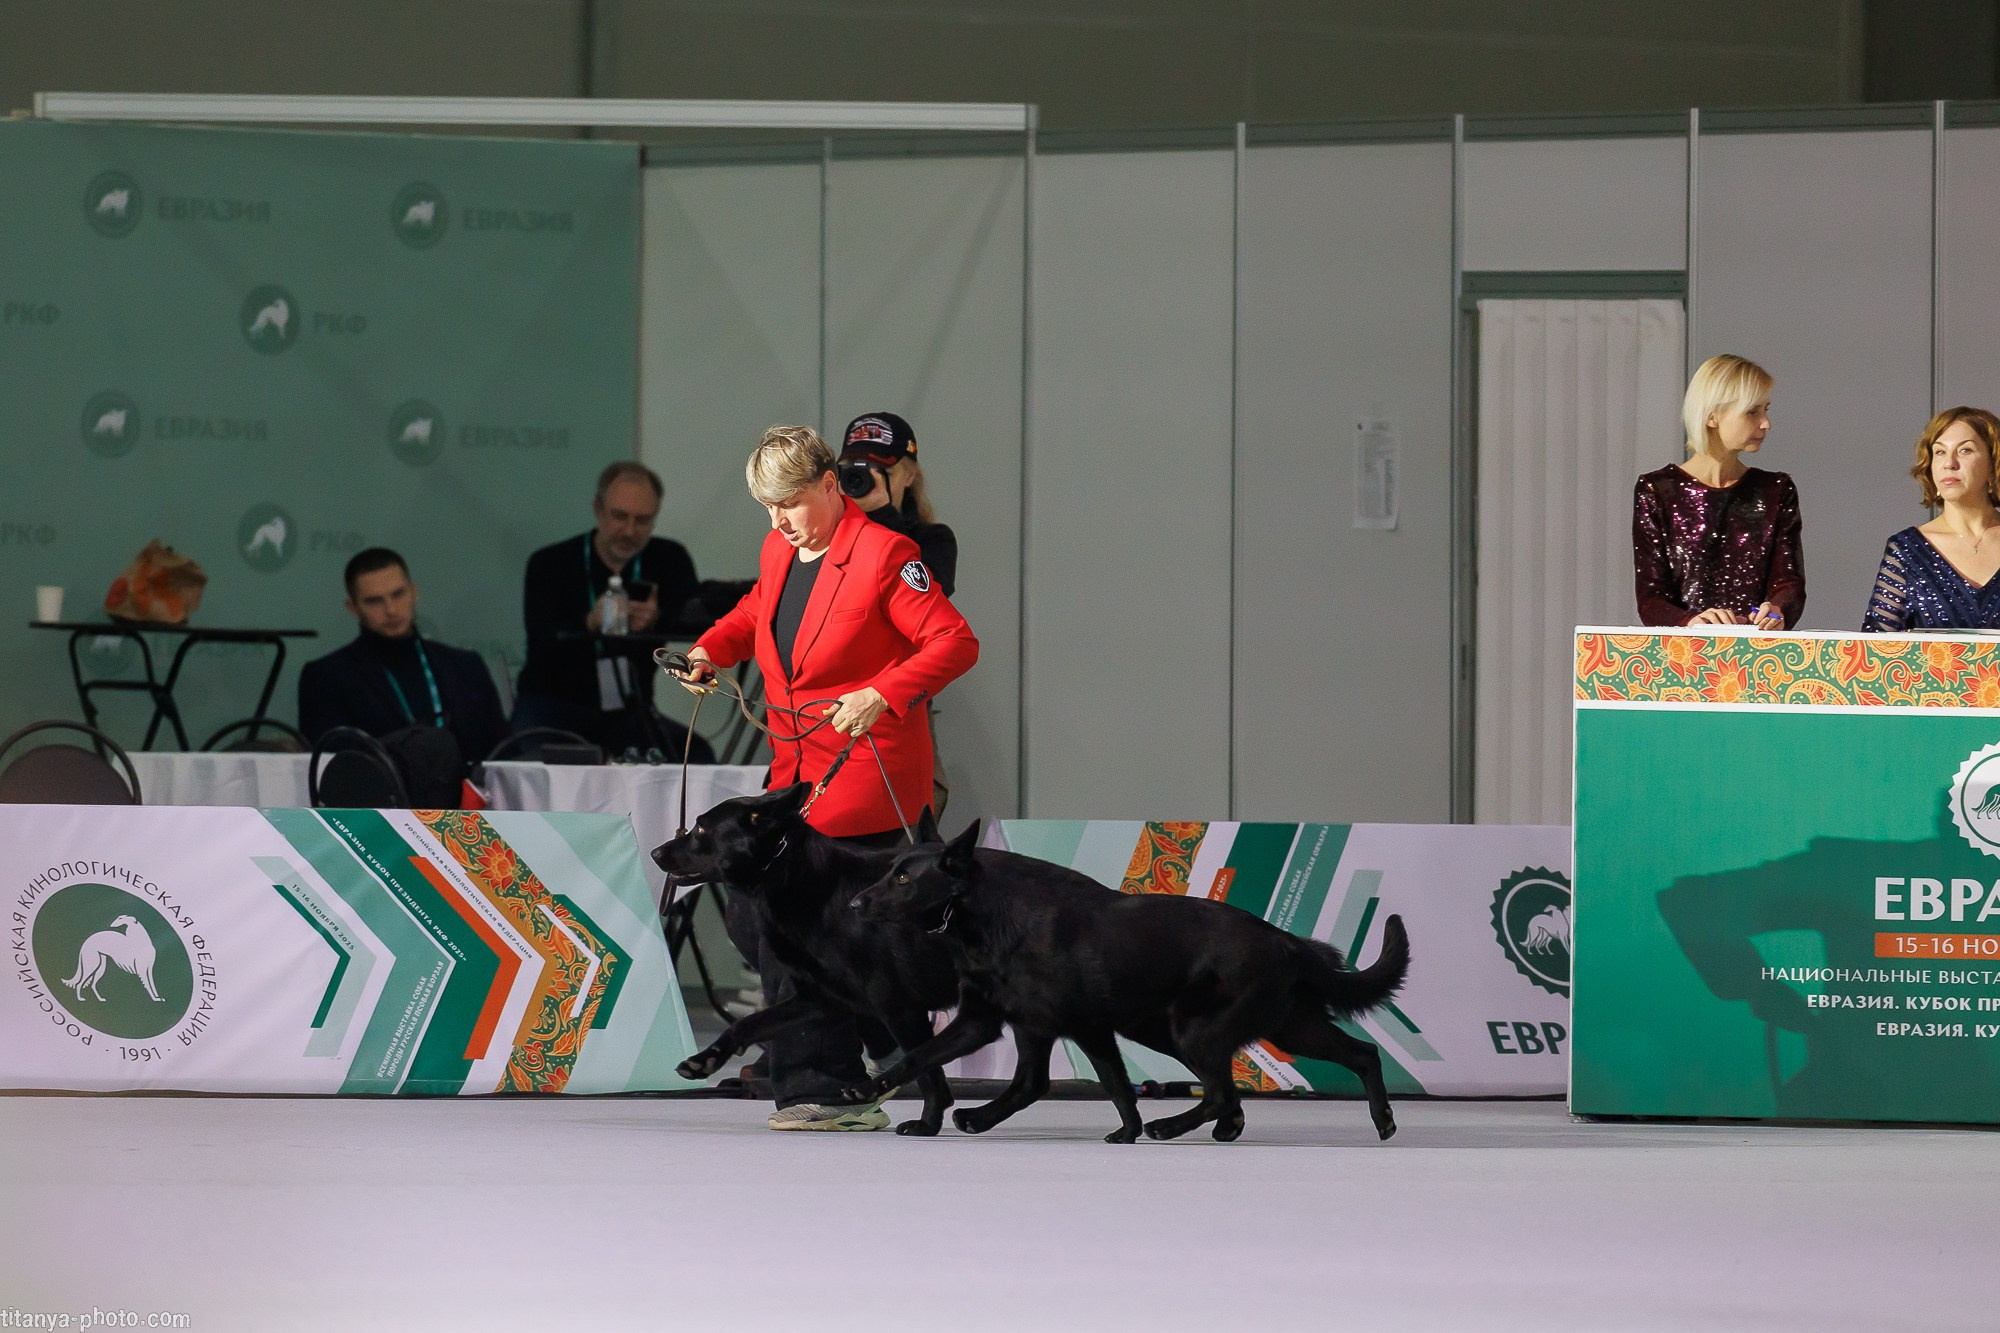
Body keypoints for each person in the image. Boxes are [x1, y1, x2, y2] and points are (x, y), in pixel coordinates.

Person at [676, 425, 978, 1131]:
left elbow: (955, 641)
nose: (777, 520)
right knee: (757, 919)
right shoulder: (781, 548)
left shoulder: (887, 554)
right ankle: (873, 1035)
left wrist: (882, 692)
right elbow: (758, 611)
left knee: (794, 921)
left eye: (788, 502)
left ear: (828, 484)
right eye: (766, 506)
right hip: (797, 766)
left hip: (864, 768)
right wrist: (710, 648)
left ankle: (825, 1088)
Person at [514, 460, 704, 755]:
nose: (629, 531)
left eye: (642, 520)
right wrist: (589, 623)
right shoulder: (550, 563)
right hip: (555, 706)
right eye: (619, 516)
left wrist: (657, 620)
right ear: (598, 509)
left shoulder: (669, 559)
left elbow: (697, 623)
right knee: (541, 762)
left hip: (629, 710)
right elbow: (541, 640)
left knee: (697, 754)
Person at [1633, 353, 1805, 630]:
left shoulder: (1776, 490)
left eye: (1766, 410)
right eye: (1752, 412)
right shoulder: (1656, 491)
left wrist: (1776, 610)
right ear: (1712, 415)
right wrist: (1692, 621)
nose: (1766, 423)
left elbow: (1788, 583)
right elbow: (1651, 598)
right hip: (1684, 650)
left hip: (1758, 648)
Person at [298, 548, 508, 762]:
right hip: (380, 783)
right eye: (374, 601)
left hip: (469, 783)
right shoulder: (326, 678)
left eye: (398, 594)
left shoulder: (466, 667)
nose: (391, 610)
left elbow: (503, 757)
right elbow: (334, 765)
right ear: (353, 607)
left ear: (414, 592)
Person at [1863, 407, 2000, 631]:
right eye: (1940, 452)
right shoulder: (1905, 549)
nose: (1949, 463)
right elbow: (1876, 646)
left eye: (1965, 450)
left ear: (1993, 465)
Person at [839, 411, 958, 596]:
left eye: (884, 472)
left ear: (909, 476)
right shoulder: (821, 533)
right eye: (855, 472)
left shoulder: (934, 539)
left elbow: (925, 597)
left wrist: (882, 514)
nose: (866, 481)